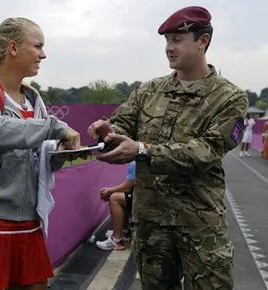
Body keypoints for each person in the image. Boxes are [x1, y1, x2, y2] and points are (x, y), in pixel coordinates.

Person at [88, 6, 248, 290]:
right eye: (167, 41)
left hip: (200, 226)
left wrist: (143, 149)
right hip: (151, 225)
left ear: (203, 42)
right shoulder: (149, 90)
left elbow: (206, 150)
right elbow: (123, 122)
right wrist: (108, 131)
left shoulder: (229, 98)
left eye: (177, 40)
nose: (169, 48)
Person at [0, 17, 80, 290]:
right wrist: (54, 127)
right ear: (13, 48)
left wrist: (60, 154)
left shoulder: (34, 97)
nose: (43, 54)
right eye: (37, 46)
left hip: (29, 221)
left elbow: (39, 159)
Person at [96, 161, 136, 251]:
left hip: (149, 201)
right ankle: (125, 231)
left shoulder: (137, 161)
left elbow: (127, 187)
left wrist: (109, 191)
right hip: (150, 196)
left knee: (114, 198)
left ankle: (116, 240)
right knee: (119, 196)